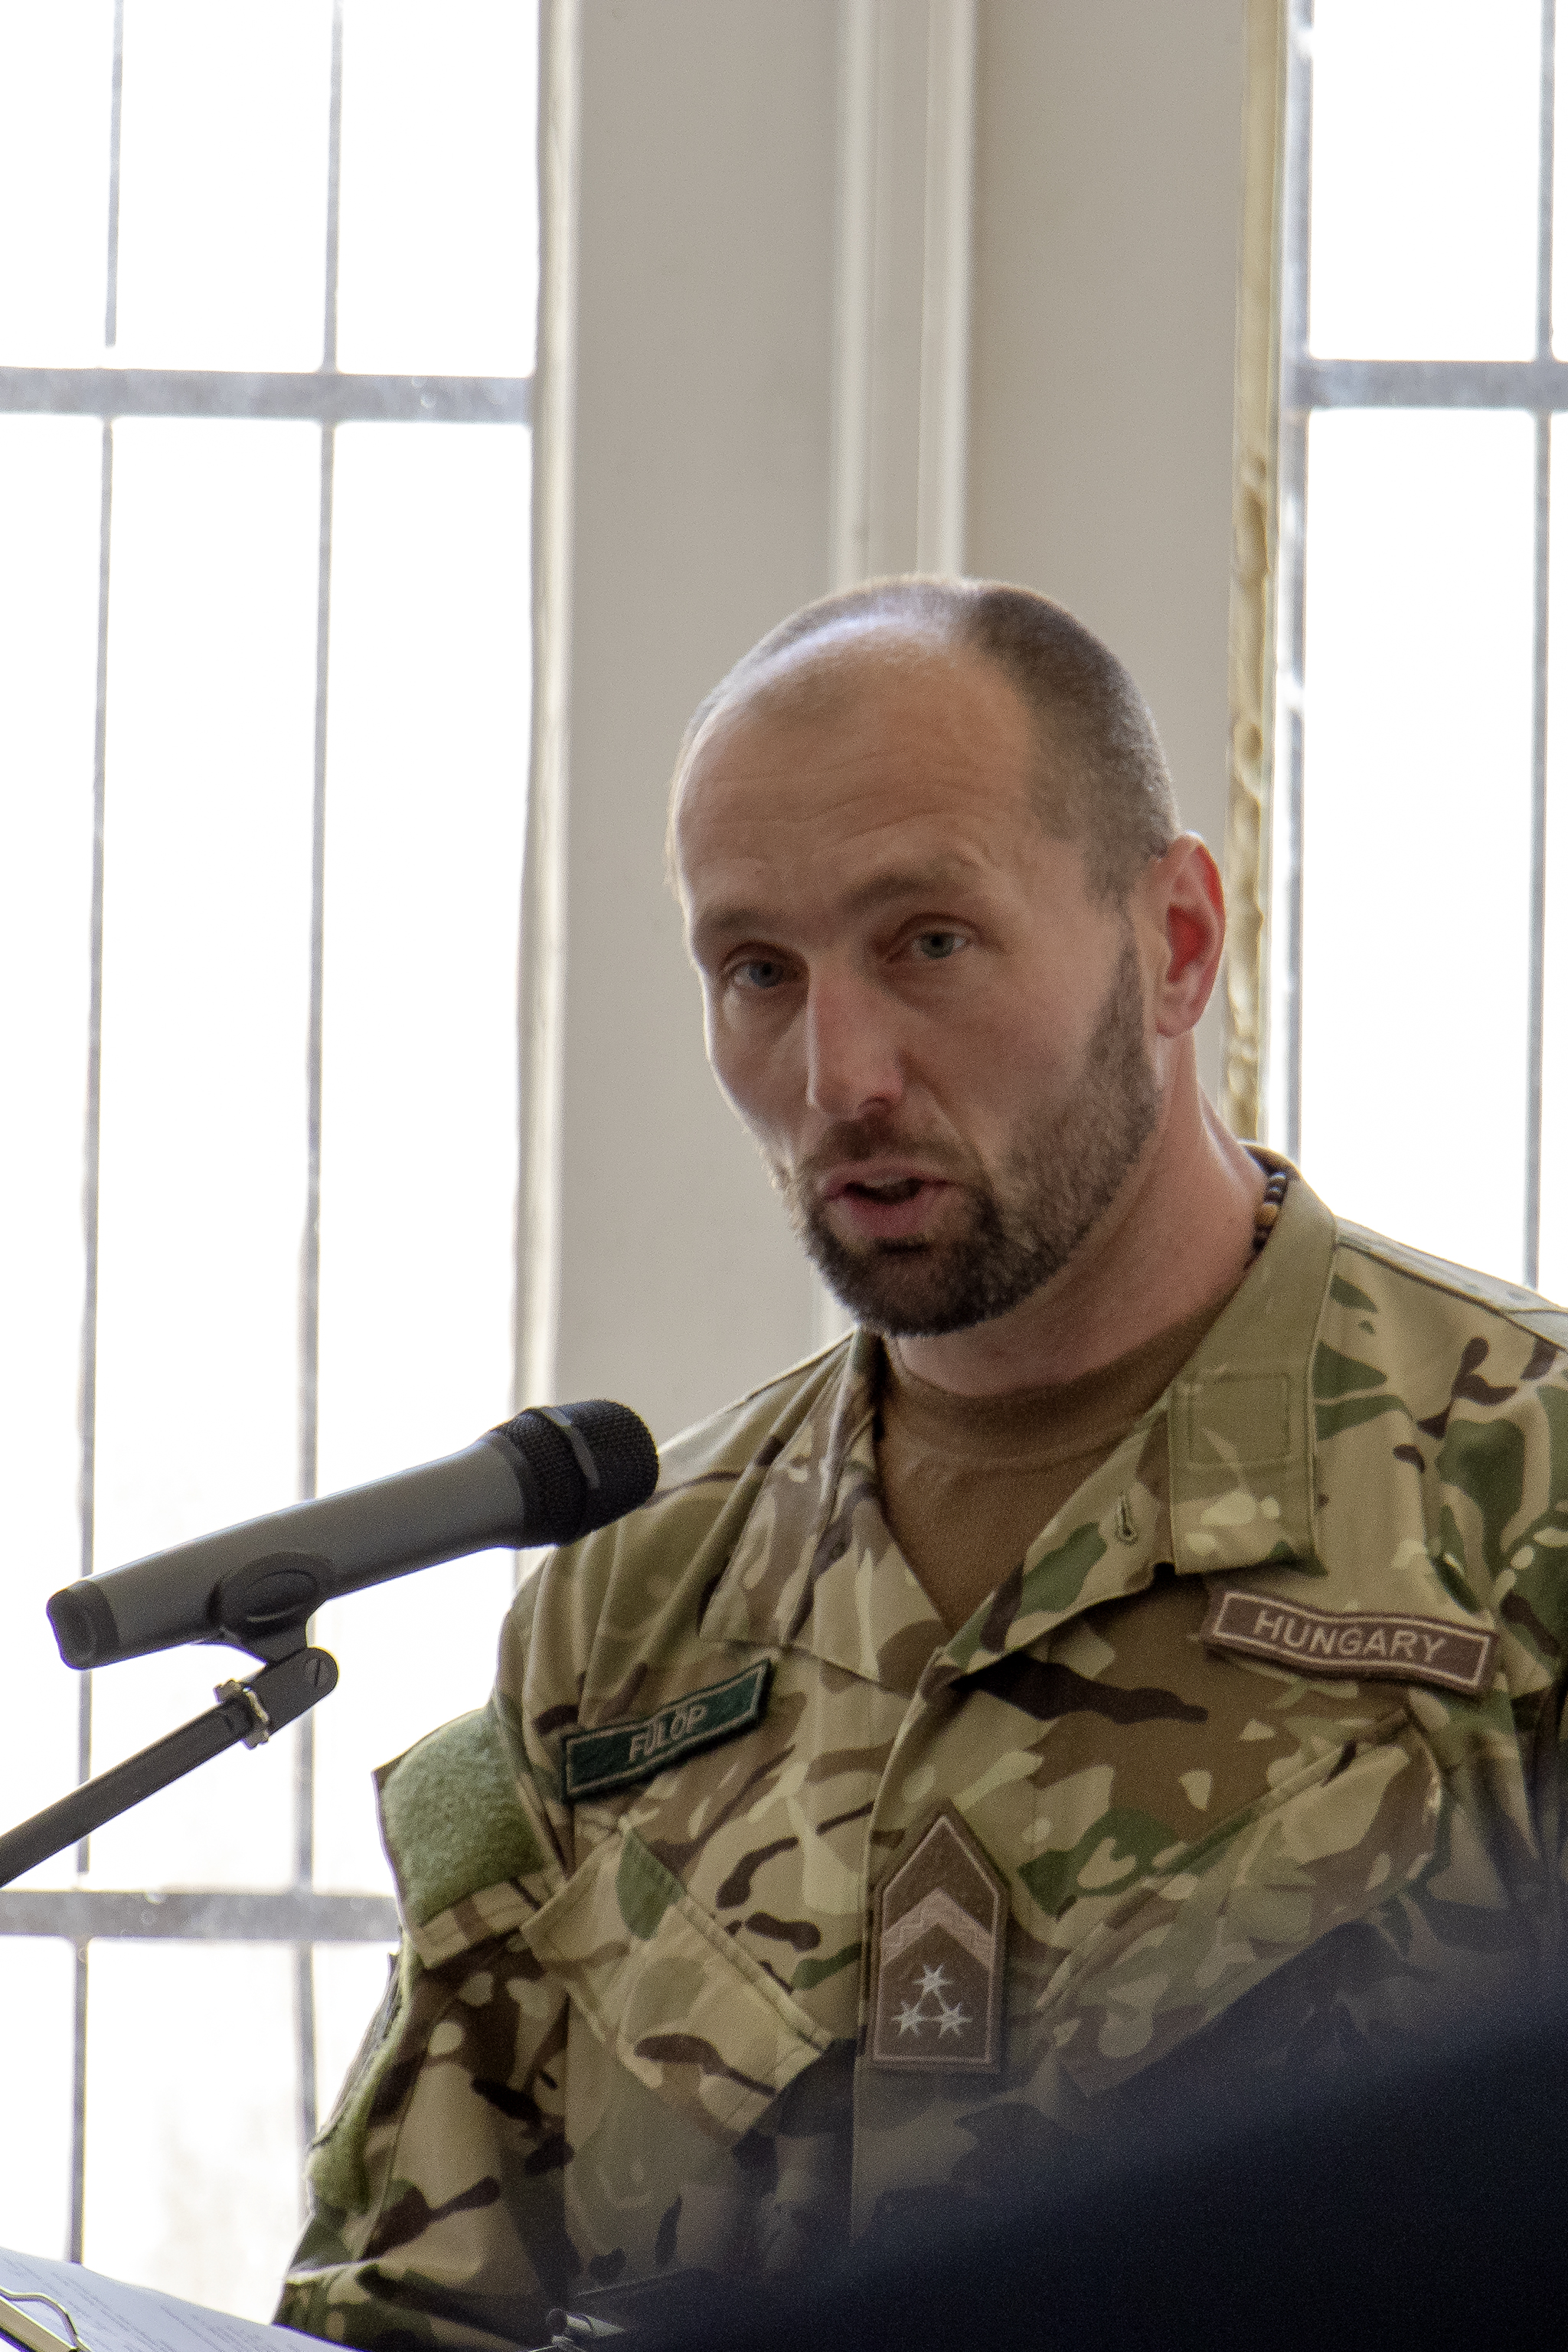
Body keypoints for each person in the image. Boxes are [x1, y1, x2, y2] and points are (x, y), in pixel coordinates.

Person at [278, 580, 1568, 2351]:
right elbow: (407, 2308)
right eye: (757, 972)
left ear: (1176, 941)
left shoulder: (1521, 1502)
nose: (840, 1076)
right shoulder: (629, 1604)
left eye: (930, 942)